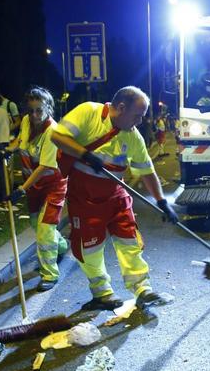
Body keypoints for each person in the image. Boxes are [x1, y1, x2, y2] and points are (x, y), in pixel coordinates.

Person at [51, 86, 178, 311]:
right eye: (137, 115)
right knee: (89, 248)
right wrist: (84, 154)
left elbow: (147, 171)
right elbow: (57, 136)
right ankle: (102, 293)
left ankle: (142, 289)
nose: (140, 121)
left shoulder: (133, 136)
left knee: (129, 240)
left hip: (115, 194)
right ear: (121, 107)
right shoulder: (88, 112)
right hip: (84, 197)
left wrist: (162, 202)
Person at [5, 87, 68, 291]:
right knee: (35, 222)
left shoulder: (52, 132)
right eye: (31, 110)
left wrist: (21, 189)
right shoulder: (26, 121)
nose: (34, 115)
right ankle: (60, 246)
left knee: (45, 228)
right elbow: (20, 141)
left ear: (48, 108)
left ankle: (49, 274)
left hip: (52, 185)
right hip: (33, 185)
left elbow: (43, 167)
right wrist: (8, 150)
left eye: (39, 110)